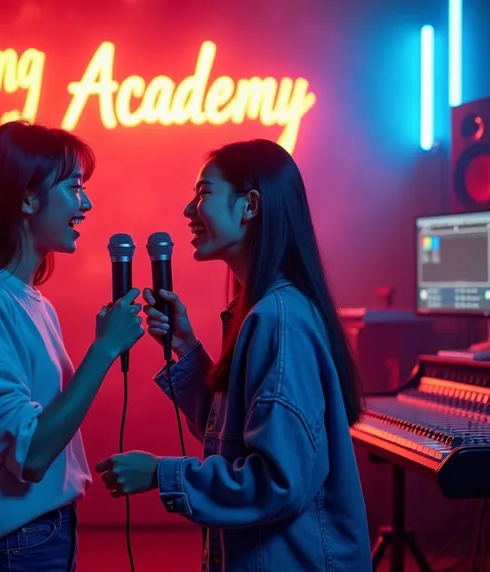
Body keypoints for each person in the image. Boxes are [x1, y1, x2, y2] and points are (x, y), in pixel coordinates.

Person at [95, 139, 372, 571]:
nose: (189, 211)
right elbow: (239, 436)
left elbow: (277, 481)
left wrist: (159, 474)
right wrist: (186, 347)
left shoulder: (278, 319)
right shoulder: (262, 312)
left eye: (203, 194)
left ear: (250, 206)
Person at [0, 121, 144, 572]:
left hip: (43, 535)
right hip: (17, 546)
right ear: (27, 198)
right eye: (75, 187)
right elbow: (31, 454)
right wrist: (104, 351)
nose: (87, 203)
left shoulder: (30, 301)